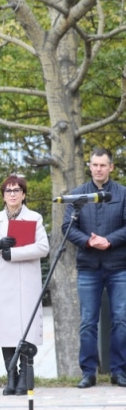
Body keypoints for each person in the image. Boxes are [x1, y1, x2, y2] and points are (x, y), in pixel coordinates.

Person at [0, 176, 50, 395]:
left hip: (25, 280)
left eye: (16, 190)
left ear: (24, 194)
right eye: (8, 190)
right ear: (3, 196)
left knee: (25, 327)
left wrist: (15, 253)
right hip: (2, 280)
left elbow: (43, 247)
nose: (12, 194)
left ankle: (25, 376)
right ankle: (12, 376)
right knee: (5, 328)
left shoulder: (34, 218)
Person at [62, 148, 126, 388]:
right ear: (89, 166)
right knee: (88, 321)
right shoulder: (78, 195)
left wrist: (109, 240)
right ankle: (88, 372)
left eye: (103, 165)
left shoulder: (123, 194)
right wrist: (88, 241)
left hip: (119, 266)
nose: (98, 168)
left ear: (111, 167)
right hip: (88, 266)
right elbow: (67, 226)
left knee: (121, 320)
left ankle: (119, 371)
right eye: (95, 164)